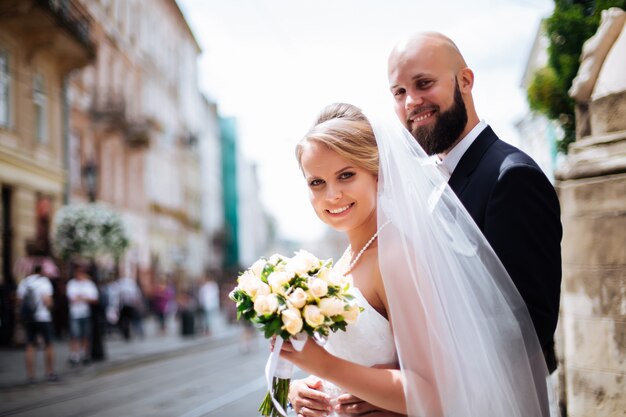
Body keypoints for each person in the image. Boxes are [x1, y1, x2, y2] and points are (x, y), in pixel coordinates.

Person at [290, 32, 562, 417]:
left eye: (423, 84)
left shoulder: (510, 177)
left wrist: (398, 387)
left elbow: (528, 332)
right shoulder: (421, 185)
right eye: (398, 92)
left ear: (465, 81)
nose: (411, 101)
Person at [16, 264, 58, 384]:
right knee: (48, 344)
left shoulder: (24, 282)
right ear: (41, 272)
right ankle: (50, 372)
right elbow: (47, 301)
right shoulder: (44, 282)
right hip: (43, 317)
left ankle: (31, 376)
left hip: (29, 319)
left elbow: (19, 301)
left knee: (30, 345)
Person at [66, 263, 98, 365]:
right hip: (75, 314)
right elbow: (72, 298)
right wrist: (85, 298)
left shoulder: (89, 284)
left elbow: (95, 299)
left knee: (85, 335)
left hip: (85, 313)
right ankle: (74, 354)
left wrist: (81, 298)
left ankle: (84, 354)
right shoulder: (71, 284)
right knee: (74, 335)